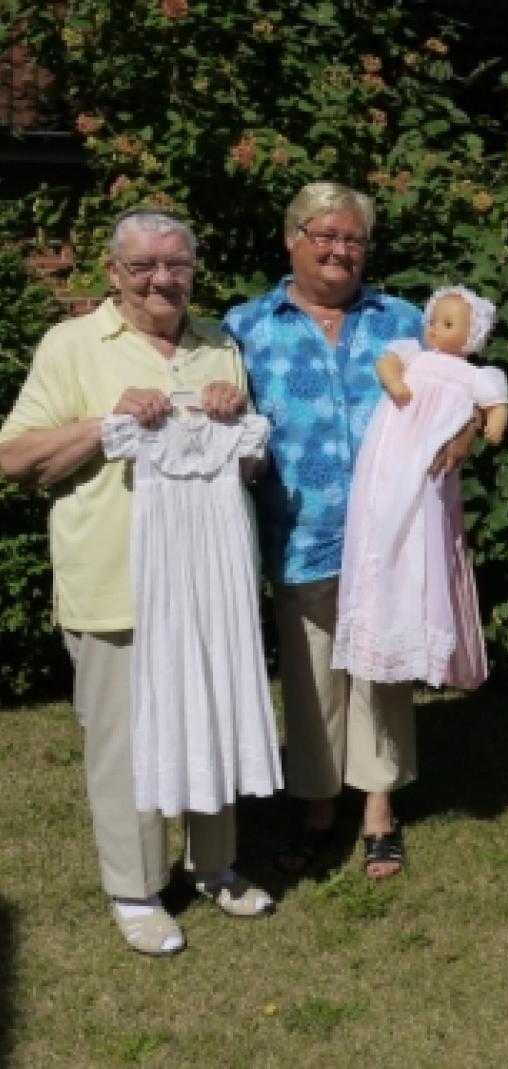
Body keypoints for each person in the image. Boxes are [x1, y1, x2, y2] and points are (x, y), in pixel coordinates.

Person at [0, 208, 274, 955]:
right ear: (113, 273)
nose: (162, 279)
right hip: (112, 580)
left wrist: (236, 420)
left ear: (193, 270)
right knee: (126, 741)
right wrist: (103, 424)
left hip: (208, 582)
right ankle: (136, 888)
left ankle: (214, 864)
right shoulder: (73, 344)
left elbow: (252, 464)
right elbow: (15, 457)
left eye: (176, 264)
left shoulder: (218, 343)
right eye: (144, 265)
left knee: (213, 715)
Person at [226, 181, 474, 880]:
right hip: (299, 530)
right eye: (325, 235)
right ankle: (317, 803)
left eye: (353, 239)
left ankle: (378, 806)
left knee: (382, 666)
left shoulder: (400, 319)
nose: (339, 250)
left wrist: (463, 436)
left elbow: (460, 389)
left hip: (391, 534)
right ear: (292, 239)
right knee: (310, 675)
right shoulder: (247, 326)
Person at [332, 284, 508, 691]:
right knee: (383, 512)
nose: (433, 328)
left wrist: (494, 425)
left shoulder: (475, 375)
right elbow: (387, 363)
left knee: (418, 526)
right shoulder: (413, 353)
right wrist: (395, 381)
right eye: (433, 320)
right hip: (391, 452)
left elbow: (494, 404)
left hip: (428, 459)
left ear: (472, 336)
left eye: (447, 323)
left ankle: (411, 624)